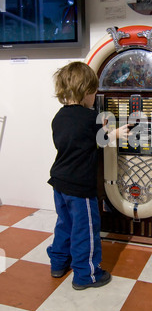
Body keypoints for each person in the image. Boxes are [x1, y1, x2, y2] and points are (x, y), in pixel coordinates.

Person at [47, 61, 129, 290]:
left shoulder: (59, 117)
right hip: (80, 188)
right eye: (94, 93)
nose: (95, 97)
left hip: (59, 182)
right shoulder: (88, 119)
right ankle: (87, 275)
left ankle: (58, 263)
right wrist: (116, 132)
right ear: (86, 93)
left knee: (65, 224)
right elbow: (102, 139)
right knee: (86, 230)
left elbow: (75, 141)